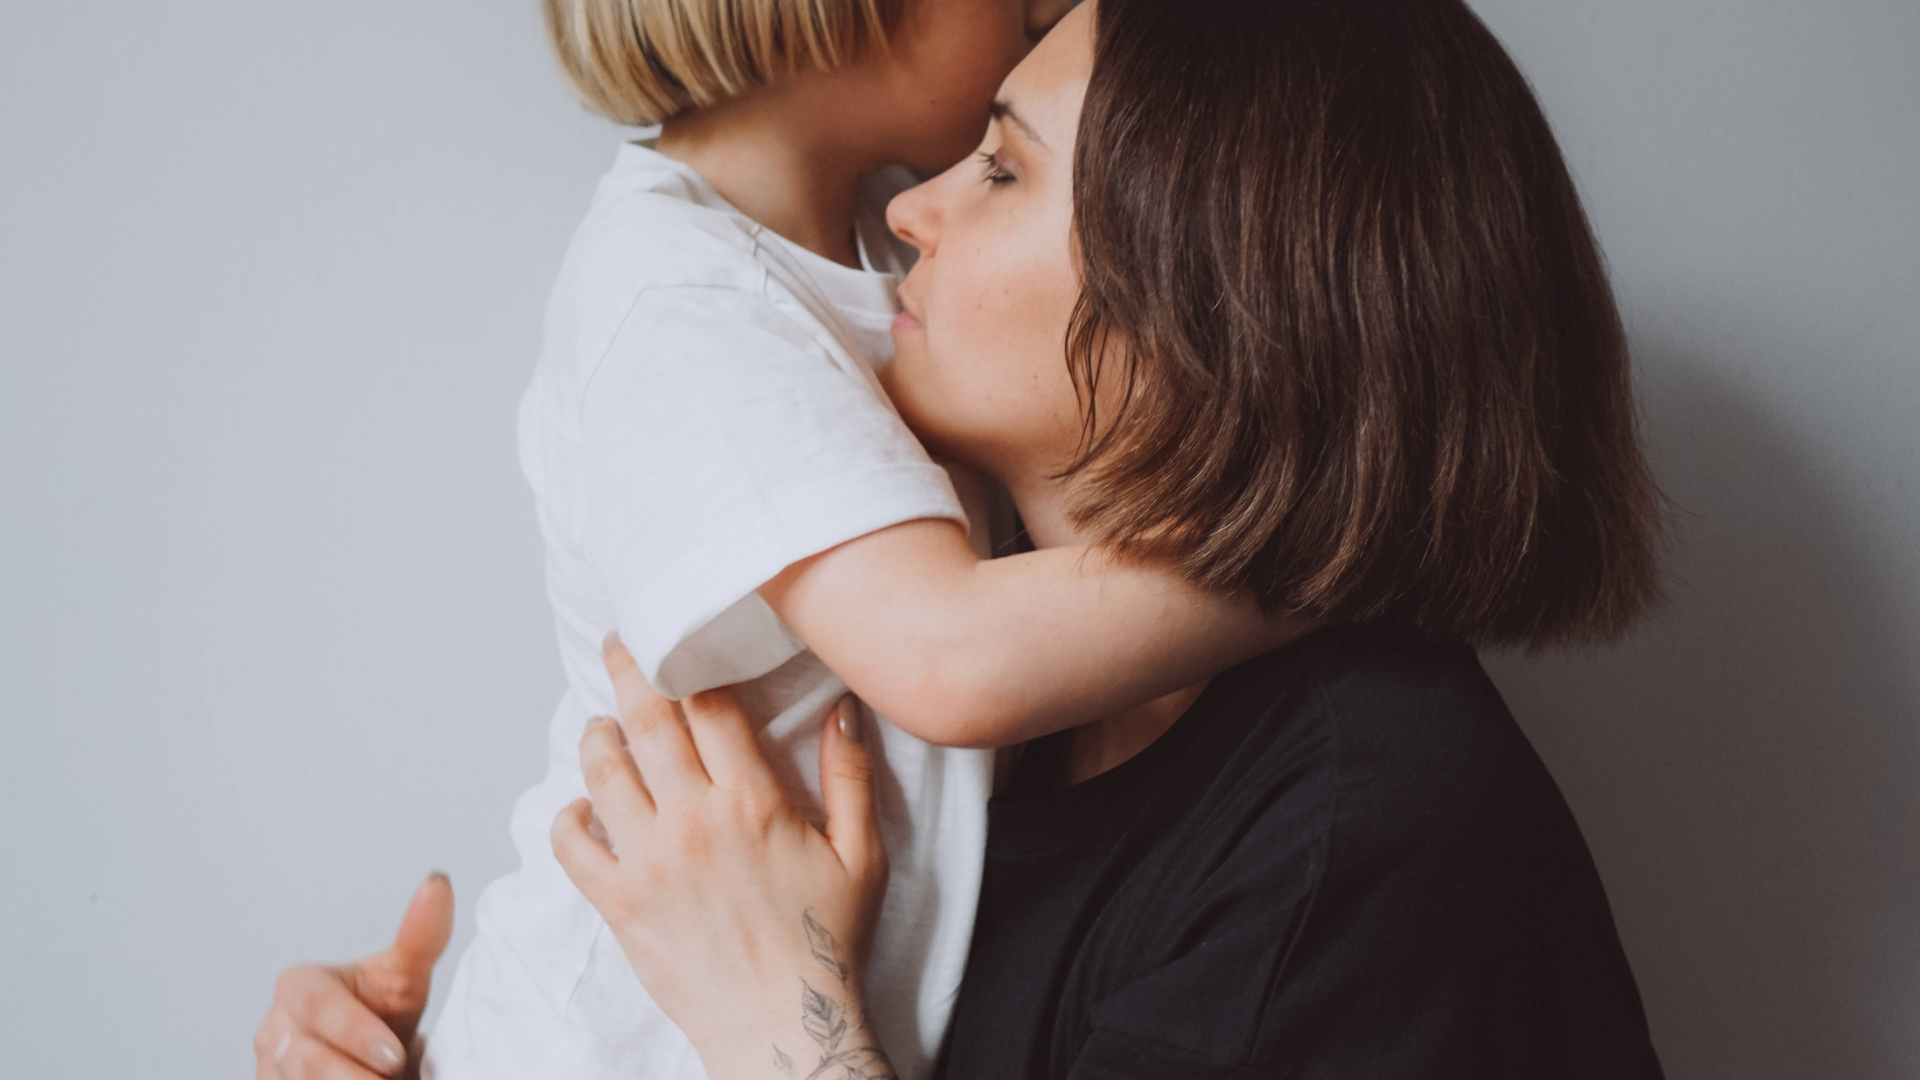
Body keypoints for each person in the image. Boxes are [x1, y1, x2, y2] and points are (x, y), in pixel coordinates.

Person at [257, 0, 1667, 1077]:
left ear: (1222, 293)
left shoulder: (1369, 843)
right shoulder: (985, 743)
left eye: (1000, 171)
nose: (909, 214)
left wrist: (778, 1020)